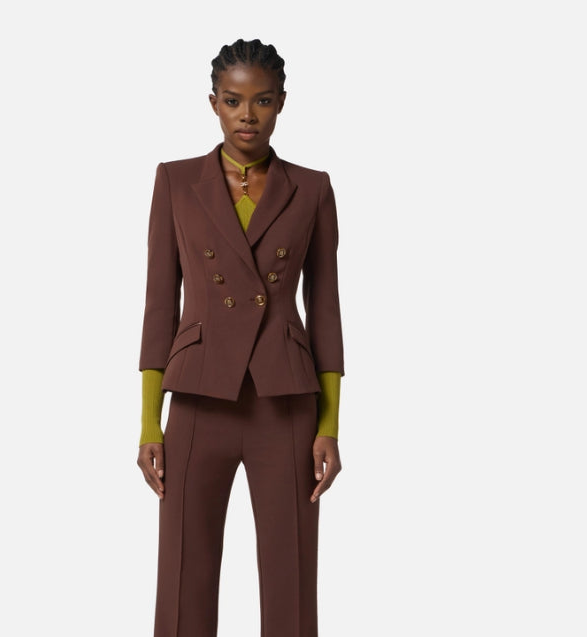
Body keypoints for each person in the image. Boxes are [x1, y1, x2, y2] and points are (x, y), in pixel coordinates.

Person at [136, 38, 345, 637]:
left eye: (262, 101)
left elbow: (325, 311)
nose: (247, 115)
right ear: (213, 103)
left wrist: (330, 425)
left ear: (281, 103)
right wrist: (150, 424)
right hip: (198, 397)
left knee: (290, 574)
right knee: (184, 572)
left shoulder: (312, 187)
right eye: (233, 100)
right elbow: (159, 306)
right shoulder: (176, 181)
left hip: (286, 401)